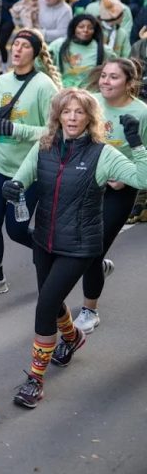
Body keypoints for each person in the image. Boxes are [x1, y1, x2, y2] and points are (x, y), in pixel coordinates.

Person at [6, 89, 147, 409]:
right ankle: (73, 338)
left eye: (79, 112)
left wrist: (137, 144)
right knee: (51, 302)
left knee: (44, 306)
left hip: (80, 245)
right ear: (58, 115)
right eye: (66, 112)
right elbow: (22, 178)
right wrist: (13, 187)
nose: (72, 118)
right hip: (45, 238)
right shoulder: (44, 144)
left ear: (89, 118)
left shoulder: (102, 153)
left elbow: (143, 177)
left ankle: (35, 381)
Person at [0, 28, 60, 296]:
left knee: (17, 230)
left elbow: (52, 132)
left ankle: (59, 257)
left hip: (27, 170)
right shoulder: (0, 82)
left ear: (35, 52)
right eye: (14, 44)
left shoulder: (44, 86)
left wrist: (16, 130)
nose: (17, 49)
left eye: (24, 46)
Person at [71, 59, 147, 332]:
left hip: (120, 190)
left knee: (92, 248)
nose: (105, 81)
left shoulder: (142, 113)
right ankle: (99, 266)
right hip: (87, 185)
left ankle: (89, 311)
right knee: (86, 247)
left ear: (129, 83)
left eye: (113, 77)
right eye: (103, 75)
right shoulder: (90, 103)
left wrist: (125, 180)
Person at [49, 14, 109, 88]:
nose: (85, 30)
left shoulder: (104, 50)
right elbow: (44, 64)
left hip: (90, 93)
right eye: (81, 27)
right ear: (74, 28)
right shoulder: (57, 45)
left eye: (90, 28)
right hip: (61, 90)